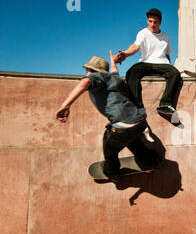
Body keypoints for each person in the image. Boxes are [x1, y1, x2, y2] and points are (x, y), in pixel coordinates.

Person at [55, 52, 162, 180]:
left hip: (122, 123)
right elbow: (114, 71)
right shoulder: (114, 78)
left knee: (110, 146)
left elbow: (85, 82)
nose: (86, 73)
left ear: (90, 70)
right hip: (139, 121)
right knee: (130, 139)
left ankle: (112, 172)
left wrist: (65, 106)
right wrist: (113, 62)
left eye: (87, 71)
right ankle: (151, 160)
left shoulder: (95, 76)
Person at [114, 8, 181, 116]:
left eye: (155, 22)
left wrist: (169, 66)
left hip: (162, 63)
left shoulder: (166, 36)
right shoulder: (143, 33)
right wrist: (125, 54)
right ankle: (136, 107)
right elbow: (135, 46)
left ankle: (165, 104)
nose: (152, 24)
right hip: (146, 63)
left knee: (175, 73)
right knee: (132, 72)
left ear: (160, 23)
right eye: (150, 21)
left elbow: (167, 54)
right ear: (147, 21)